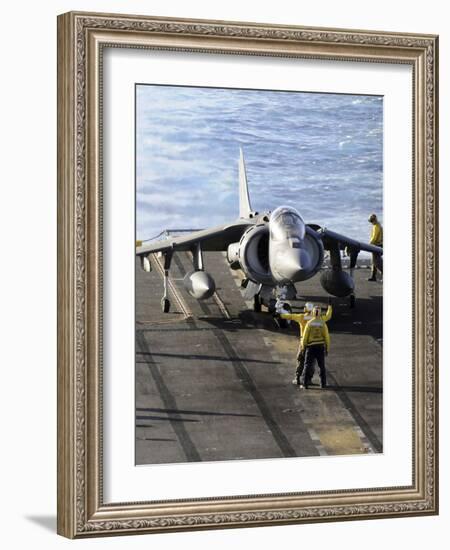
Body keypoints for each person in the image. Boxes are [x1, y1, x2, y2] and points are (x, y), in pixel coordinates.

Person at [279, 300, 332, 386]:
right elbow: (328, 316)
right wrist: (330, 307)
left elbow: (290, 316)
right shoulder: (320, 319)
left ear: (306, 309)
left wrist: (280, 315)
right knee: (312, 363)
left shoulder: (301, 317)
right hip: (316, 345)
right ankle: (309, 380)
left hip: (303, 342)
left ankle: (298, 378)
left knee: (301, 361)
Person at [300, 306, 330, 389]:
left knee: (307, 365)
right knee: (321, 366)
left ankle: (305, 384)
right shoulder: (323, 323)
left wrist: (303, 347)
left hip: (311, 347)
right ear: (320, 313)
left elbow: (305, 337)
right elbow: (327, 337)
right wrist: (327, 348)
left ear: (313, 313)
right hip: (320, 347)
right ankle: (323, 384)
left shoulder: (309, 323)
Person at [368, 213, 383, 282]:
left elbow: (374, 237)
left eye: (371, 221)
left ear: (374, 220)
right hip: (378, 244)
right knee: (374, 262)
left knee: (376, 262)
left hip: (377, 245)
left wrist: (369, 244)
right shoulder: (377, 225)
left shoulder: (377, 226)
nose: (371, 223)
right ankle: (373, 276)